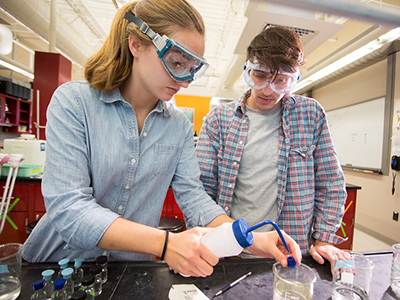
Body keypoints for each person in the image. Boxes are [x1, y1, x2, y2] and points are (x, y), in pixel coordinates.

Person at [22, 0, 301, 277]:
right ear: (136, 45)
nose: (184, 79)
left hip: (127, 271)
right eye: (177, 62)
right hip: (52, 268)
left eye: (192, 67)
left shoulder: (178, 126)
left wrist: (250, 238)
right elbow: (70, 209)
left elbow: (194, 197)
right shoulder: (75, 103)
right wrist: (165, 243)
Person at [196, 25, 347, 270]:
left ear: (294, 79)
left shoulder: (310, 115)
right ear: (248, 69)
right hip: (232, 255)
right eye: (260, 76)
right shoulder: (218, 121)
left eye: (281, 81)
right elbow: (201, 192)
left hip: (291, 254)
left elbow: (331, 183)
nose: (268, 90)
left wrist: (322, 241)